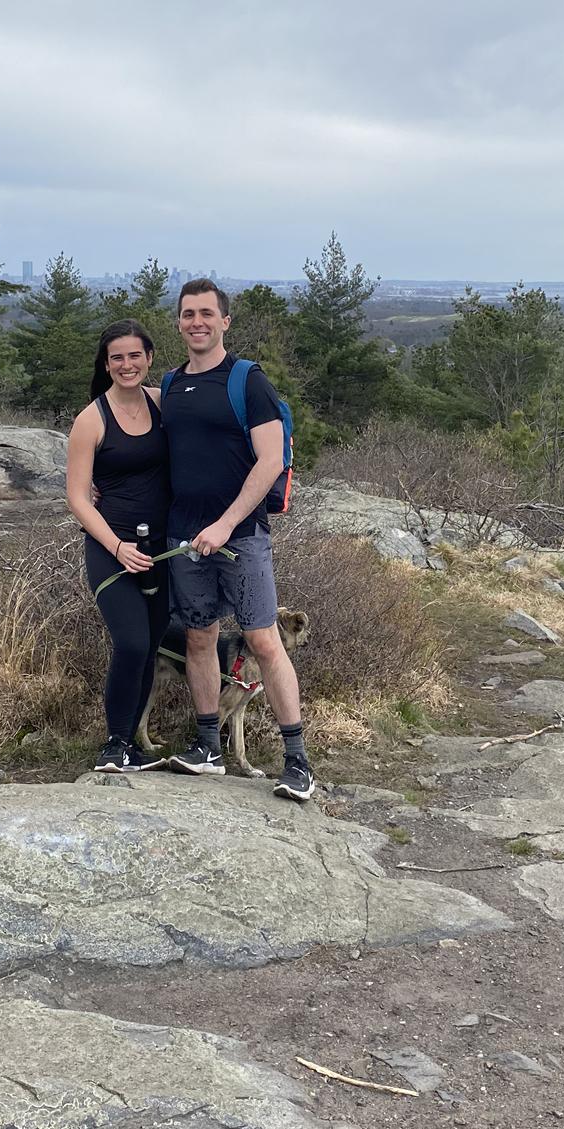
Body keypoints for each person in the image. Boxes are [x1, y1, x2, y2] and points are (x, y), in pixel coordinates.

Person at [160, 279, 314, 801]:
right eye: (188, 314)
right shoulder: (173, 383)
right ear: (178, 322)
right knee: (200, 638)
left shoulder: (248, 381)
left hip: (240, 536)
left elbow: (270, 459)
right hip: (184, 536)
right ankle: (208, 749)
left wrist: (225, 523)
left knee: (264, 640)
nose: (197, 322)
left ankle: (297, 762)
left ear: (225, 321)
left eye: (207, 313)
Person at [65, 319, 172, 774]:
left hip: (165, 548)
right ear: (106, 365)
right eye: (117, 358)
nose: (127, 365)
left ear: (149, 358)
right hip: (111, 549)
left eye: (134, 355)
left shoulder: (163, 403)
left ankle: (131, 743)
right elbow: (76, 496)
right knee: (130, 643)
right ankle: (114, 745)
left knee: (150, 647)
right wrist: (117, 546)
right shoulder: (91, 420)